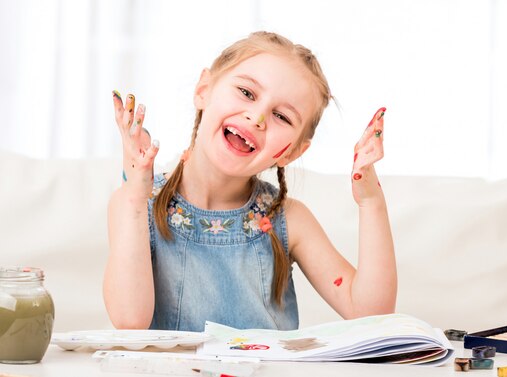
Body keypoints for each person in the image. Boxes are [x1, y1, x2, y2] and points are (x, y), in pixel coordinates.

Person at [103, 31, 397, 332]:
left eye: (282, 116)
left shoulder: (289, 220)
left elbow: (370, 314)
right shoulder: (134, 205)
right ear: (204, 89)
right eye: (246, 92)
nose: (257, 118)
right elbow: (130, 320)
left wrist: (370, 201)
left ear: (293, 151)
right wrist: (135, 198)